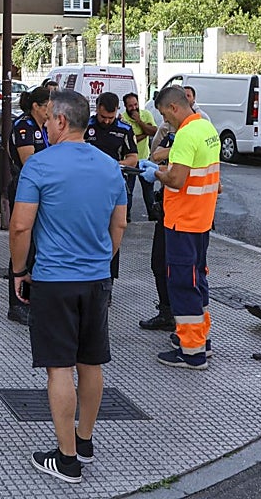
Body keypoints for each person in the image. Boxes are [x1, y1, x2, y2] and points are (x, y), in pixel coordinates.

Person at [10, 89, 128, 484]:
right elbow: (120, 225)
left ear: (61, 120)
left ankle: (66, 458)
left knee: (58, 367)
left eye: (47, 121)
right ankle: (86, 440)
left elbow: (21, 226)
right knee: (90, 362)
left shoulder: (40, 166)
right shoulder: (110, 166)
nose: (44, 127)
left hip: (54, 280)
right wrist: (100, 259)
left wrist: (18, 271)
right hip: (97, 279)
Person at [139, 85, 221, 370]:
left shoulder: (186, 135)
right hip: (201, 221)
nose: (164, 121)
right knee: (198, 280)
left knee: (183, 284)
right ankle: (201, 338)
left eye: (164, 114)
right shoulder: (207, 129)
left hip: (182, 221)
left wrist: (155, 173)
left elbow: (176, 180)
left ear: (174, 108)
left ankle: (192, 352)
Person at [6, 85, 52, 325]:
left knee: (37, 245)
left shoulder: (43, 127)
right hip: (25, 187)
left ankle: (32, 300)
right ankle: (17, 304)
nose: (50, 112)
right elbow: (29, 161)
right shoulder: (25, 126)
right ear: (36, 106)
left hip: (41, 190)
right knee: (23, 244)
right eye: (47, 107)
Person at [84, 91, 138, 285]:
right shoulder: (85, 126)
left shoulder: (124, 129)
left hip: (112, 186)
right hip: (86, 188)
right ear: (96, 109)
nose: (106, 121)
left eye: (110, 117)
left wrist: (115, 165)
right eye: (102, 117)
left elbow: (133, 158)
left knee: (112, 230)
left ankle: (107, 281)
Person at [122, 92, 158, 220]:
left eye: (135, 104)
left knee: (148, 191)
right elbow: (131, 140)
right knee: (128, 191)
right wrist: (144, 133)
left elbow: (154, 131)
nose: (134, 108)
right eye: (130, 106)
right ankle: (126, 217)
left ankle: (153, 215)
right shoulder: (123, 119)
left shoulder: (146, 115)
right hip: (131, 161)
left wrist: (140, 122)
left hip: (144, 159)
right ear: (125, 106)